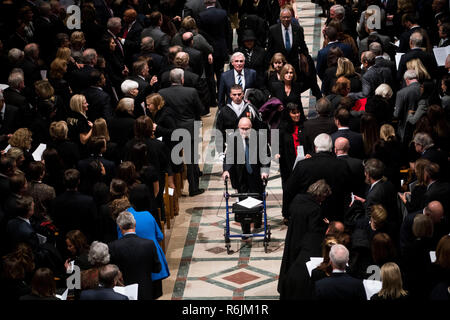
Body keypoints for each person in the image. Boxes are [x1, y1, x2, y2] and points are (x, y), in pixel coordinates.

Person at [278, 179, 331, 300]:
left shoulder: (298, 199)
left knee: (290, 262)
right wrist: (326, 226)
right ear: (319, 195)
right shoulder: (315, 209)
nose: (323, 201)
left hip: (292, 235)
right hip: (304, 240)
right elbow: (314, 230)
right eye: (323, 198)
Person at [283, 133, 351, 222]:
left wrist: (286, 213)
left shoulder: (303, 165)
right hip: (335, 213)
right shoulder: (342, 165)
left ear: (315, 147)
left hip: (308, 214)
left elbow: (289, 189)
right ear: (331, 148)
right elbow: (347, 189)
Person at [158, 68, 204, 196]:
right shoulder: (191, 91)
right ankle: (194, 188)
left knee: (173, 159)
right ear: (182, 79)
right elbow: (199, 109)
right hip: (189, 128)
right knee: (191, 160)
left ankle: (175, 191)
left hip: (170, 130)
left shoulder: (162, 92)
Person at [222, 117, 270, 239]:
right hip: (240, 176)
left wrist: (264, 171)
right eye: (242, 129)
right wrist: (227, 170)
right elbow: (228, 157)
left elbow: (266, 156)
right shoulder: (233, 139)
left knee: (257, 198)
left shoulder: (259, 137)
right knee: (243, 201)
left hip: (256, 175)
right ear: (238, 128)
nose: (244, 131)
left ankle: (257, 219)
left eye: (247, 128)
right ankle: (246, 230)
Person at [108, 211, 161, 300]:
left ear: (120, 227)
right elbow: (157, 269)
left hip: (123, 290)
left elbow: (113, 272)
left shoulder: (112, 246)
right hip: (145, 289)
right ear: (134, 224)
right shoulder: (149, 244)